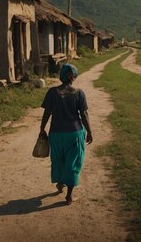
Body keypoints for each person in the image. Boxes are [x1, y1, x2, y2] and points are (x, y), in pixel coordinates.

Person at [39, 63, 93, 204]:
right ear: (72, 77)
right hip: (74, 134)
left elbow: (47, 112)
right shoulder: (79, 93)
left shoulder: (52, 92)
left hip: (56, 134)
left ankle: (60, 183)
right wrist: (89, 132)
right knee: (73, 162)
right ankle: (69, 195)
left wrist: (42, 128)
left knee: (58, 160)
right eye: (74, 75)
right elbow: (84, 114)